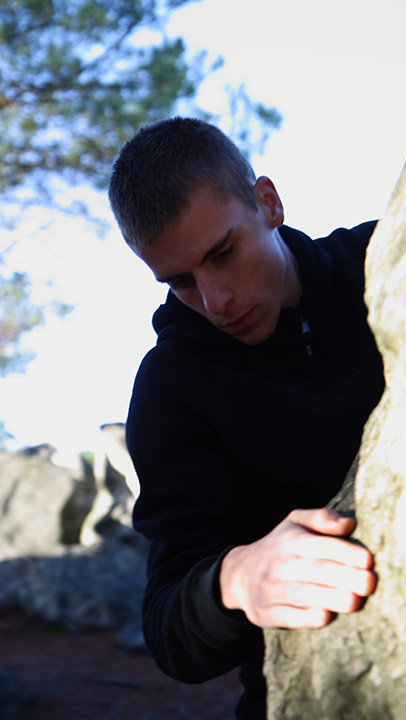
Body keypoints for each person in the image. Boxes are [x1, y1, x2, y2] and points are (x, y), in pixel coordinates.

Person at [108, 117, 385, 719]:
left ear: (268, 202)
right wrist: (232, 581)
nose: (215, 302)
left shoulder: (386, 262)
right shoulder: (171, 388)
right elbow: (167, 628)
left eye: (222, 253)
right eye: (181, 282)